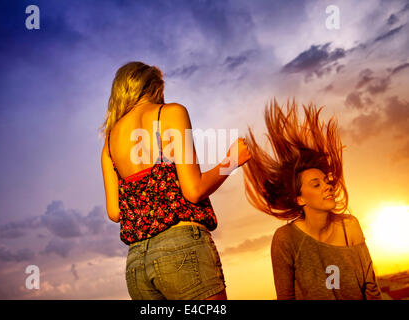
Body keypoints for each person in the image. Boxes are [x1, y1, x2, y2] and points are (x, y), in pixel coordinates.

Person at [99, 61, 251, 300]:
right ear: (154, 87)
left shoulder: (109, 142)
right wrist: (231, 160)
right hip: (181, 250)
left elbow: (115, 212)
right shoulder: (170, 113)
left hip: (138, 263)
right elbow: (193, 190)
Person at [242, 98, 382, 300]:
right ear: (300, 199)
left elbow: (371, 289)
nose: (327, 186)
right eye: (316, 184)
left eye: (326, 181)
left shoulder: (349, 227)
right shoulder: (285, 239)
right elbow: (286, 297)